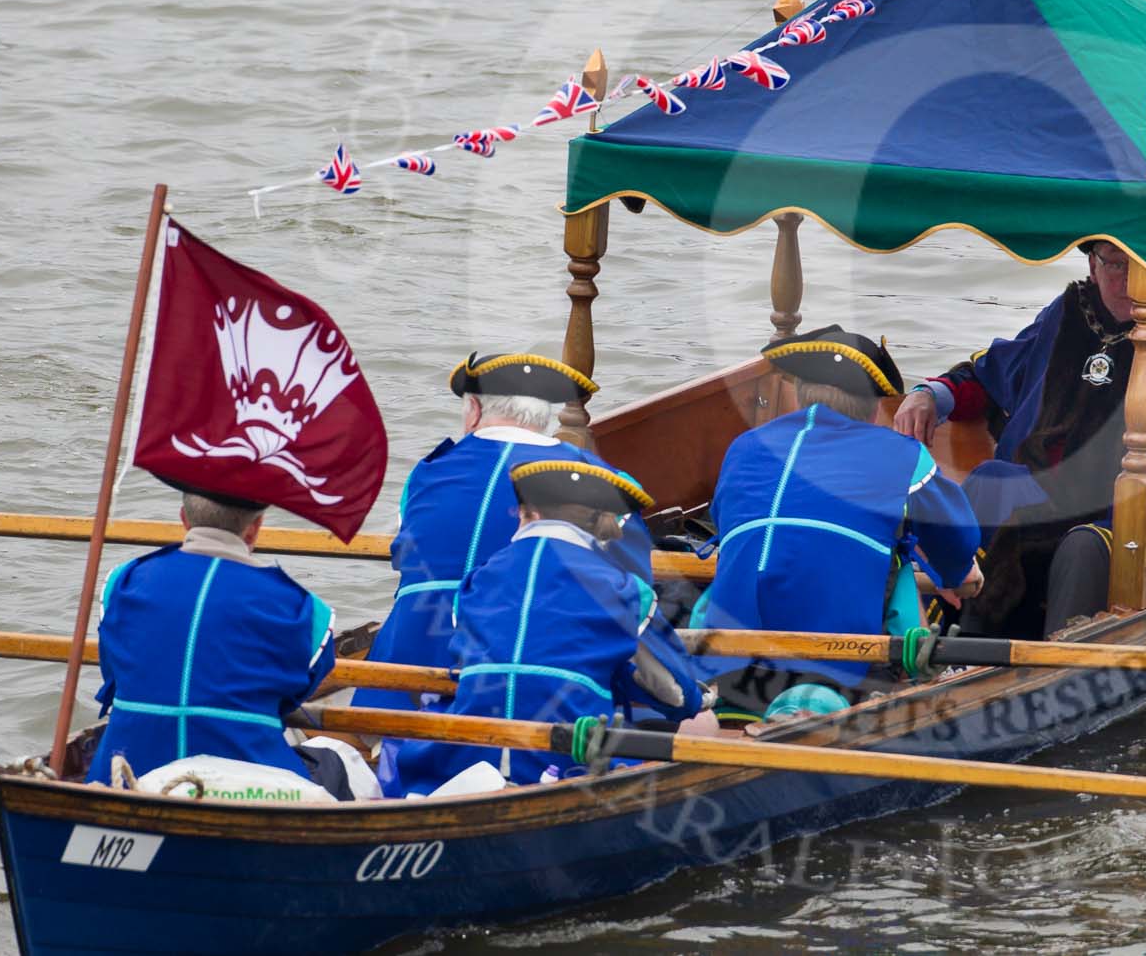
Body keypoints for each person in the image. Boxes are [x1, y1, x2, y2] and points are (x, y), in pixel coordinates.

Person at [893, 240, 1146, 638]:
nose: (1130, 280)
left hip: (1141, 507)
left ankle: (1062, 665)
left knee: (1086, 545)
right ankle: (957, 640)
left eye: (1144, 266)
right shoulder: (1070, 311)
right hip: (1049, 489)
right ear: (1093, 266)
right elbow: (993, 372)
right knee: (990, 483)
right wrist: (931, 396)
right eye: (1115, 265)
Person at [694, 327, 984, 724]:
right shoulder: (903, 454)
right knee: (895, 563)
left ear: (798, 394)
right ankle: (898, 685)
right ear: (872, 408)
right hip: (840, 661)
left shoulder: (746, 445)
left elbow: (727, 526)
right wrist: (953, 573)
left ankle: (731, 708)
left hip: (732, 662)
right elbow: (959, 540)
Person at [356, 352, 653, 721]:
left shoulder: (427, 472)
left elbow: (404, 555)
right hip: (524, 693)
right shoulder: (599, 478)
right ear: (543, 416)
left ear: (475, 410)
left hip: (397, 689)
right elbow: (637, 588)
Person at [388, 460, 713, 797]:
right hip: (566, 758)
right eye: (613, 523)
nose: (617, 533)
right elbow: (673, 692)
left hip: (467, 757)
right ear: (595, 524)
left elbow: (480, 662)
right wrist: (698, 699)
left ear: (530, 513)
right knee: (701, 726)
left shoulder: (476, 580)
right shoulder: (624, 588)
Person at [87, 488, 350, 797]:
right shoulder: (306, 611)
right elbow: (292, 697)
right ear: (255, 527)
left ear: (184, 519)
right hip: (247, 787)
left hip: (122, 774)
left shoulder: (121, 583)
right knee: (333, 763)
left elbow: (113, 675)